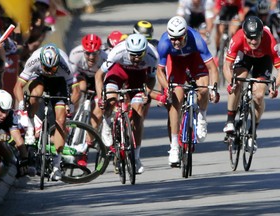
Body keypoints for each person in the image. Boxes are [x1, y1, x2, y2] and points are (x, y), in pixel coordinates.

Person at [156, 16, 219, 166]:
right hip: (176, 63)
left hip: (194, 59)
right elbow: (160, 71)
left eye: (179, 38)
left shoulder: (196, 39)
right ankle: (174, 148)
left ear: (185, 34)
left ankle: (202, 117)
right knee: (175, 102)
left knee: (203, 90)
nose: (176, 42)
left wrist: (214, 89)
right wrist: (167, 89)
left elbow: (212, 68)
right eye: (173, 39)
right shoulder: (164, 43)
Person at [13, 43, 80, 181]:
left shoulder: (64, 65)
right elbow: (18, 86)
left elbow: (76, 89)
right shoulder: (35, 60)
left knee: (61, 120)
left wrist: (71, 104)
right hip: (39, 78)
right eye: (47, 68)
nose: (49, 71)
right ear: (41, 62)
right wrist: (21, 102)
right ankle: (31, 128)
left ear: (58, 63)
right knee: (35, 94)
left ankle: (56, 166)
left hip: (59, 82)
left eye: (53, 68)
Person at [95, 33, 159, 174]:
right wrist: (101, 98)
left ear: (145, 51)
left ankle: (136, 157)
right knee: (111, 98)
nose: (136, 59)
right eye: (133, 55)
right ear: (127, 51)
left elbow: (151, 79)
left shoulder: (152, 55)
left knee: (137, 115)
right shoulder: (117, 52)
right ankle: (106, 122)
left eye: (139, 55)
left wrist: (146, 92)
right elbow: (98, 75)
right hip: (117, 74)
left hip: (138, 78)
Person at [223, 16, 279, 152]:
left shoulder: (270, 41)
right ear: (245, 34)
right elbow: (227, 65)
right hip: (244, 57)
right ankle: (230, 121)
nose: (253, 41)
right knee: (237, 81)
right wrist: (231, 83)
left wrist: (275, 86)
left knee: (259, 94)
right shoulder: (238, 38)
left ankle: (252, 132)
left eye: (256, 38)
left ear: (261, 34)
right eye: (250, 38)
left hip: (263, 60)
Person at [68, 33, 107, 166]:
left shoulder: (105, 58)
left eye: (94, 54)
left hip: (98, 80)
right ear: (83, 51)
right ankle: (72, 114)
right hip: (82, 76)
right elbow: (70, 77)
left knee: (97, 112)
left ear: (99, 52)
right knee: (79, 88)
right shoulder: (75, 54)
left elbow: (105, 81)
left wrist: (100, 97)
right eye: (88, 53)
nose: (91, 57)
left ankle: (86, 147)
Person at [0, 89, 35, 177]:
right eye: (2, 110)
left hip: (1, 140)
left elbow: (18, 139)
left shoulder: (10, 116)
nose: (4, 115)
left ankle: (13, 164)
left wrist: (25, 161)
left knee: (3, 138)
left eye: (7, 111)